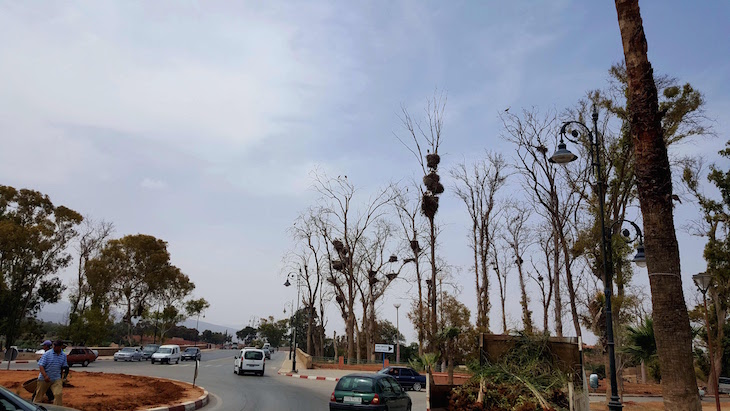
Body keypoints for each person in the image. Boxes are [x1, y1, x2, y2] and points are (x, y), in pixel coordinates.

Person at [34, 340, 68, 406]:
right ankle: (34, 407)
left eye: (56, 346)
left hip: (56, 378)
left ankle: (57, 409)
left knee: (58, 394)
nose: (54, 347)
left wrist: (61, 378)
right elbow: (41, 366)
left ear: (60, 347)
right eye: (54, 345)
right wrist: (45, 376)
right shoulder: (47, 354)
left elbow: (63, 367)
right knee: (39, 396)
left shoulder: (63, 356)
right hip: (44, 379)